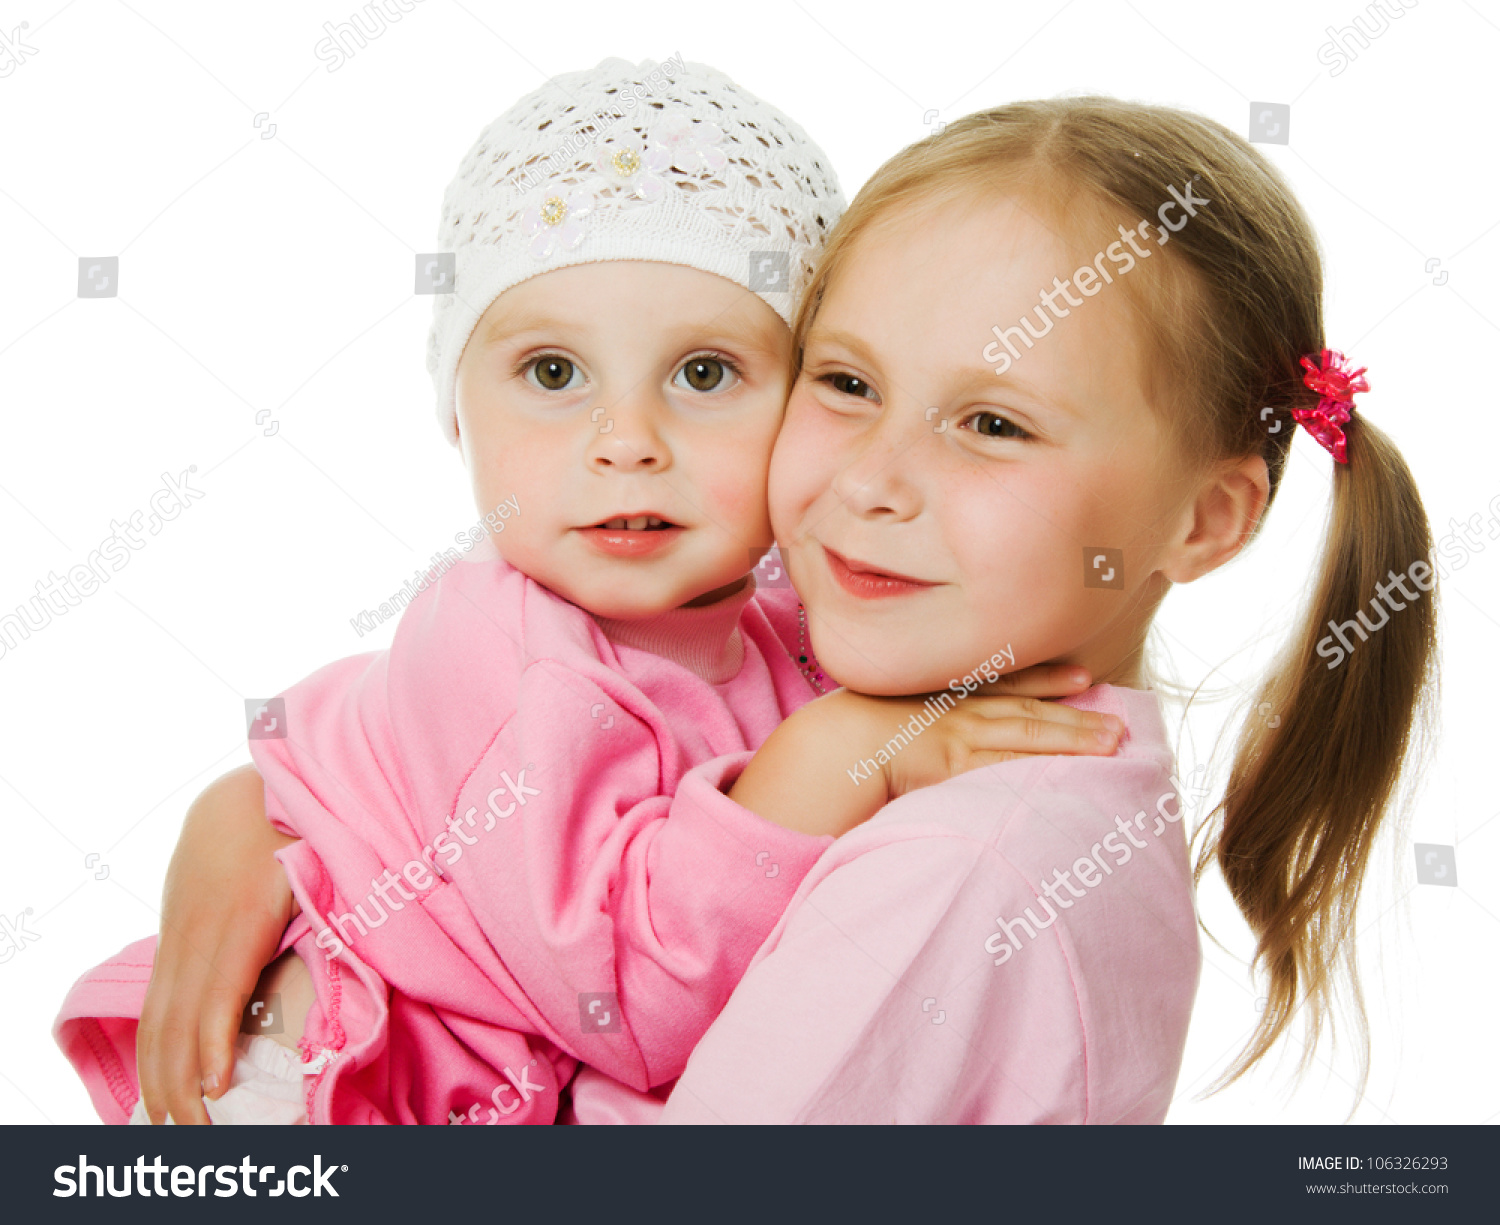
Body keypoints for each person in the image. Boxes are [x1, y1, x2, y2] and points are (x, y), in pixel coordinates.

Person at [53, 60, 1118, 1126]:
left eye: (704, 374)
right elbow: (627, 1001)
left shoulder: (799, 620)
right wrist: (844, 753)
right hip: (317, 1096)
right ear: (456, 411)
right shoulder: (496, 642)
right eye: (554, 374)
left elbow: (333, 725)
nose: (626, 446)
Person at [567, 96, 1439, 1123]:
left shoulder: (958, 872)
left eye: (992, 423)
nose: (872, 482)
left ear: (1203, 518)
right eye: (846, 381)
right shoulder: (835, 683)